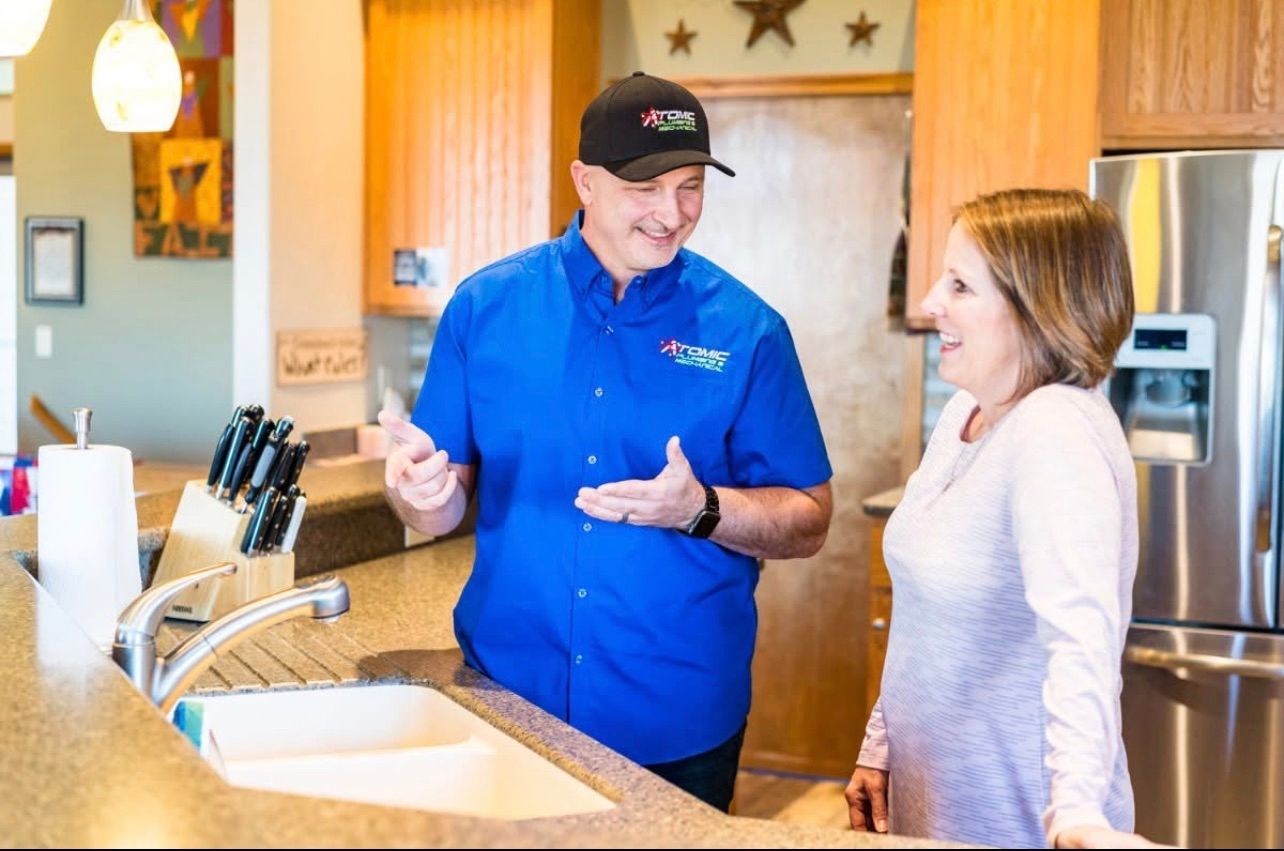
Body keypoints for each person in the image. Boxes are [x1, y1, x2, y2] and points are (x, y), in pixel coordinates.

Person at [380, 71, 833, 812]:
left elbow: (811, 519)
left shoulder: (749, 333)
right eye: (644, 187)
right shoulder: (484, 308)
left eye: (690, 186)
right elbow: (437, 502)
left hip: (679, 720)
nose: (672, 213)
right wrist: (416, 493)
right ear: (584, 182)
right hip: (508, 705)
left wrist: (701, 507)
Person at [845, 188, 1164, 849]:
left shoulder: (1055, 431)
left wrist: (1076, 813)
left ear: (1037, 309)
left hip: (1013, 819)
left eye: (961, 284)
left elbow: (1082, 639)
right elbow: (924, 618)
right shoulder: (969, 411)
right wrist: (882, 741)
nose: (932, 301)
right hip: (934, 797)